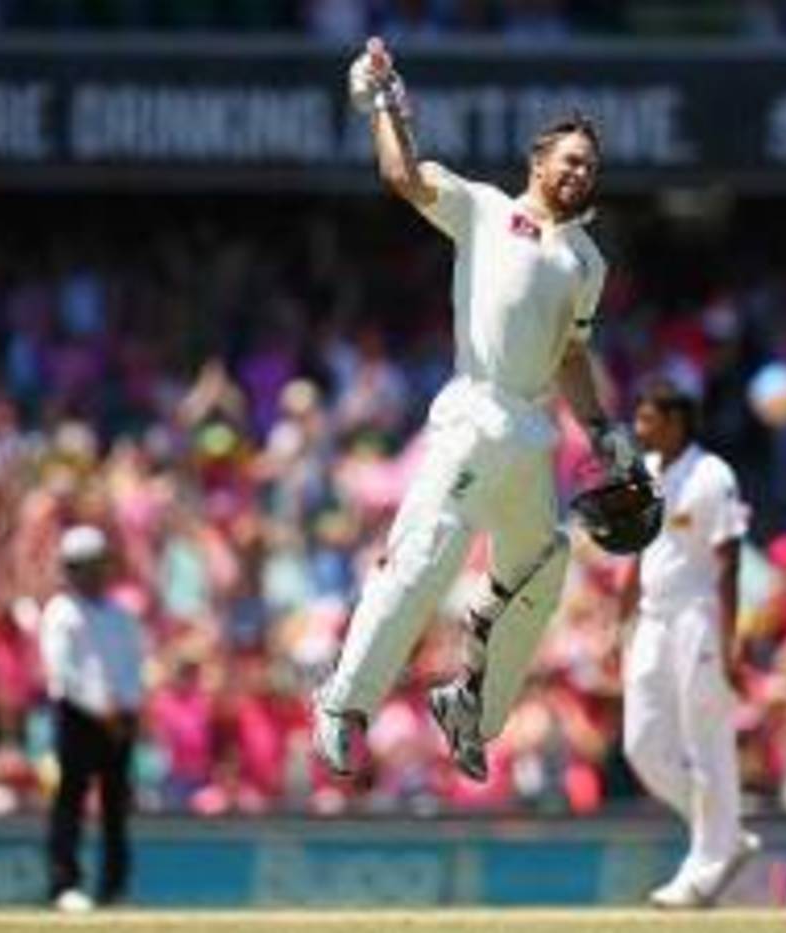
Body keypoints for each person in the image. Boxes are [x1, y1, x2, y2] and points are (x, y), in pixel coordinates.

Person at [312, 36, 637, 783]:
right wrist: (382, 103)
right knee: (425, 555)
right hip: (475, 413)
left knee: (542, 571)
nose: (581, 172)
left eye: (591, 165)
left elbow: (570, 356)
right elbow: (401, 175)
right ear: (539, 162)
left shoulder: (588, 263)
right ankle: (342, 698)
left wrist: (604, 433)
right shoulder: (486, 211)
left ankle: (472, 709)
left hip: (531, 433)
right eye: (571, 160)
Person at [619, 379, 759, 908]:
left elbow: (730, 561)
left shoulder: (712, 475)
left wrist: (730, 639)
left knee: (706, 743)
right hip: (654, 620)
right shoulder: (649, 474)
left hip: (699, 616)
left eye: (647, 418)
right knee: (643, 745)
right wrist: (621, 618)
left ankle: (705, 866)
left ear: (676, 422)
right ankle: (726, 837)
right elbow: (638, 553)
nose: (638, 427)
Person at [39, 525, 144, 912]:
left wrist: (126, 707)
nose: (92, 573)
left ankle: (114, 887)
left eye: (96, 565)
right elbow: (62, 673)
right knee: (71, 800)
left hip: (119, 719)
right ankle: (64, 884)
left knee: (116, 805)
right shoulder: (60, 611)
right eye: (82, 566)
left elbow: (133, 666)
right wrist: (104, 708)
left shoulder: (121, 613)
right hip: (78, 717)